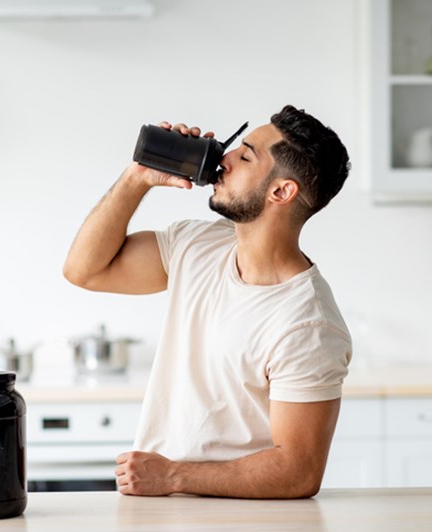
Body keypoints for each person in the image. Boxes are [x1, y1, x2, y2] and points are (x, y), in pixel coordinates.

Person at [63, 105, 352, 499]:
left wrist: (173, 477)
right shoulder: (197, 246)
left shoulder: (309, 324)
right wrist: (138, 178)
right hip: (161, 512)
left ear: (281, 191)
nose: (225, 158)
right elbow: (85, 270)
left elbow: (297, 472)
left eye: (246, 155)